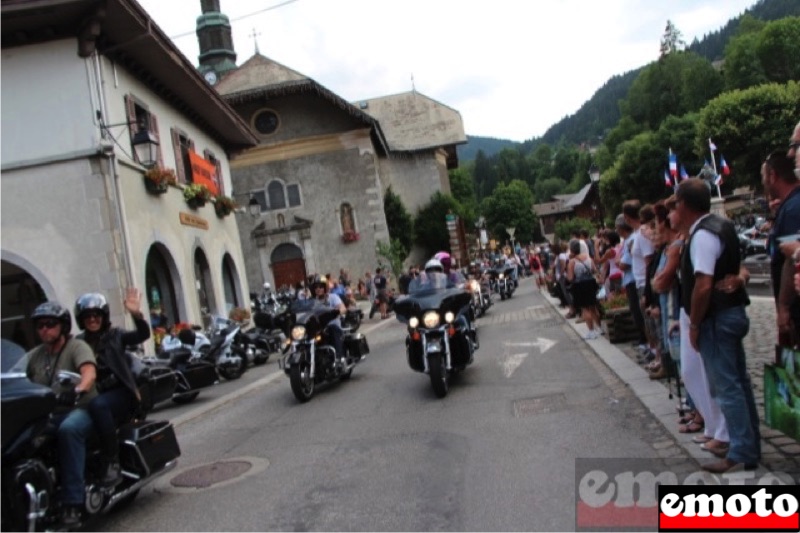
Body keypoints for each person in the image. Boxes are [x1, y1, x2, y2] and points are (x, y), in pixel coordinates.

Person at [676, 178, 759, 474]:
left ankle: (739, 450)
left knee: (727, 387)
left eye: (676, 203)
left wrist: (695, 323)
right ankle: (749, 445)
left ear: (683, 204)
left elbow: (702, 284)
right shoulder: (721, 225)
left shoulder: (701, 235)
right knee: (740, 383)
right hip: (732, 312)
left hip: (717, 318)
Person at [25, 302, 97, 527]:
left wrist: (77, 390)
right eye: (40, 326)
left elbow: (89, 372)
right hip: (48, 415)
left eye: (50, 324)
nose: (44, 329)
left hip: (80, 409)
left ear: (63, 326)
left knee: (69, 430)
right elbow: (15, 375)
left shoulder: (77, 347)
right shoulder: (36, 356)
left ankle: (72, 502)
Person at [75, 288, 150, 487]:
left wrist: (136, 314)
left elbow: (142, 334)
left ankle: (112, 460)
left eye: (96, 315)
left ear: (103, 316)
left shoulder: (115, 335)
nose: (92, 320)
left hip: (121, 393)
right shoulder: (78, 343)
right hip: (93, 394)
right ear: (80, 319)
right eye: (87, 316)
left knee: (99, 406)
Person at [762, 150, 800, 346]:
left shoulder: (793, 208)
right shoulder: (788, 206)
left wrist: (784, 307)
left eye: (764, 177)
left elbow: (792, 259)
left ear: (773, 176)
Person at [566, 239, 601, 339]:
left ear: (572, 250)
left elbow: (570, 277)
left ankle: (591, 331)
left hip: (579, 285)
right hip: (591, 283)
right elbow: (594, 270)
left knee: (585, 309)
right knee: (593, 307)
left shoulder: (572, 262)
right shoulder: (588, 258)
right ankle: (599, 328)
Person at [311, 276, 346, 362]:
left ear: (325, 287)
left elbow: (342, 308)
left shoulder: (333, 297)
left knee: (333, 329)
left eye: (320, 287)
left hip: (332, 324)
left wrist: (338, 311)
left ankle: (339, 358)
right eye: (316, 287)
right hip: (319, 327)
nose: (318, 289)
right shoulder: (312, 302)